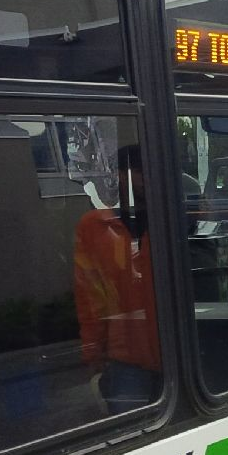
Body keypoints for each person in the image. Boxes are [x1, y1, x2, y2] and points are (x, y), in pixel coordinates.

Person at [74, 145, 161, 414]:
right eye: (134, 171)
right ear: (119, 176)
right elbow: (90, 296)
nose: (141, 178)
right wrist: (93, 351)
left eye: (145, 171)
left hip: (183, 354)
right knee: (128, 437)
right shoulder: (97, 228)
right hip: (127, 359)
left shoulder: (176, 220)